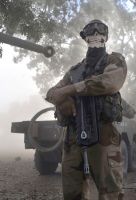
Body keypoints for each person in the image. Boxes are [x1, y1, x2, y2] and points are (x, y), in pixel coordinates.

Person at [46, 19, 127, 200]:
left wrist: (70, 90)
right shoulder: (74, 71)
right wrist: (62, 102)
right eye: (91, 33)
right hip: (73, 138)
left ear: (106, 37)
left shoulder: (114, 61)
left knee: (110, 194)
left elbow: (109, 82)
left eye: (100, 33)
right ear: (85, 38)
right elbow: (51, 93)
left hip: (103, 138)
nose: (96, 36)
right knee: (72, 193)